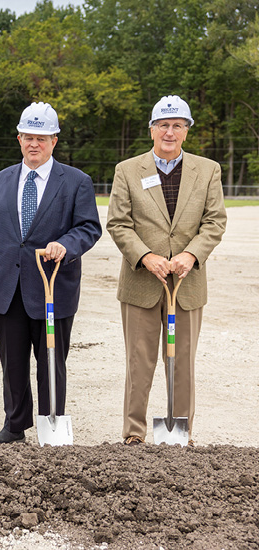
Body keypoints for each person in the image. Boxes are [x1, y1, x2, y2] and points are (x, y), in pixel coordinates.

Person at [0, 102, 101, 444]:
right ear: (19, 138)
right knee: (12, 364)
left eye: (41, 138)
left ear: (54, 141)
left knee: (51, 361)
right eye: (28, 137)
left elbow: (89, 227)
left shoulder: (75, 182)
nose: (34, 144)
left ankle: (50, 423)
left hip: (52, 287)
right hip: (7, 288)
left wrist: (66, 245)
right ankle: (15, 426)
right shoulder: (2, 179)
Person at [107, 95, 226, 446]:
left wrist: (191, 254)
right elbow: (118, 223)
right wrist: (145, 256)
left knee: (183, 361)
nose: (169, 132)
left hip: (186, 282)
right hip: (141, 281)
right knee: (139, 362)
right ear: (152, 130)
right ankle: (134, 432)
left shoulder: (208, 170)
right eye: (163, 125)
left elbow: (215, 221)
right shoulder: (128, 170)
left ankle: (181, 431)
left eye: (177, 126)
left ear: (186, 132)